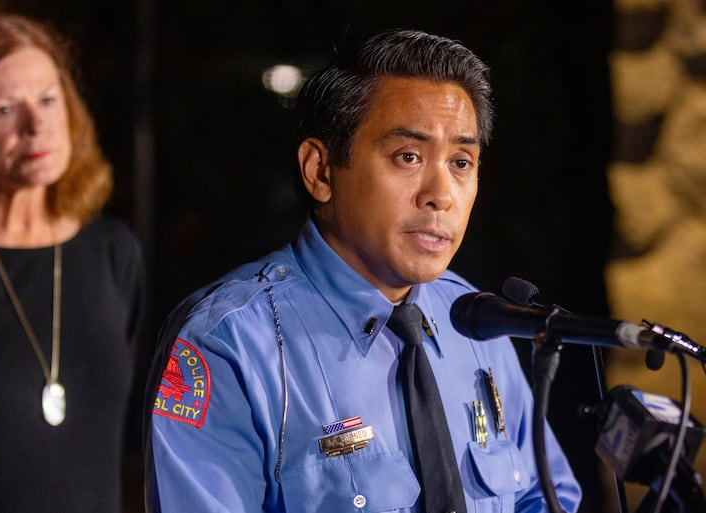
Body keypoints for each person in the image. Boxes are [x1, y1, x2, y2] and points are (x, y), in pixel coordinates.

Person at [145, 29, 582, 512]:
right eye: (408, 156)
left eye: (461, 161)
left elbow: (545, 495)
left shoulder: (476, 321)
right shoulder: (231, 344)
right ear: (321, 170)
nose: (441, 194)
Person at [0, 12, 146, 512]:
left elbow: (134, 445)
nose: (36, 126)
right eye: (3, 110)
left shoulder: (112, 251)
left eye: (47, 99)